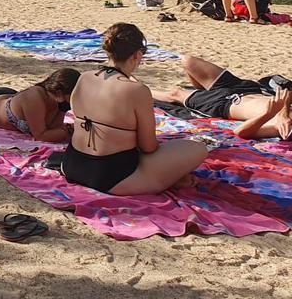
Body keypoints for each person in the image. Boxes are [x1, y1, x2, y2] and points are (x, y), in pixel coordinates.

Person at [61, 23, 209, 195]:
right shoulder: (136, 90)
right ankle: (168, 179)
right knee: (198, 149)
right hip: (110, 178)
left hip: (72, 164)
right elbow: (148, 147)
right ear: (137, 54)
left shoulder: (84, 78)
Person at [153, 56, 291, 140]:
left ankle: (135, 87)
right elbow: (287, 92)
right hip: (245, 88)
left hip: (224, 103)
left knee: (175, 93)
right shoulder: (286, 119)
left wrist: (268, 114)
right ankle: (200, 93)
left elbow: (241, 132)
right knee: (188, 61)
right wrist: (284, 111)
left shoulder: (285, 128)